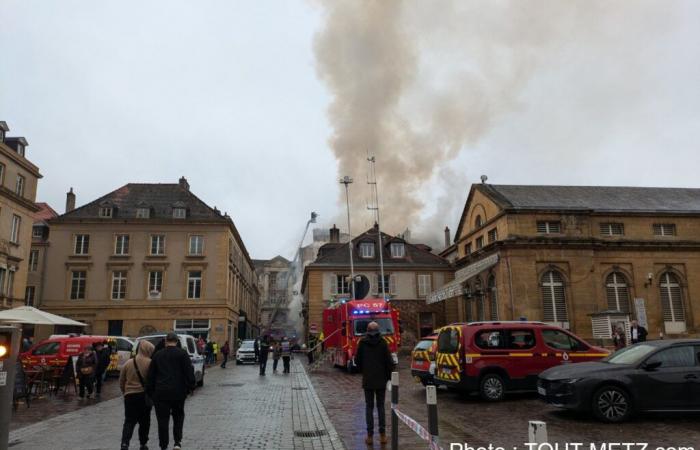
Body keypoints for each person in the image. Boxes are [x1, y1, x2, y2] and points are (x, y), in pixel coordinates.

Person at [147, 332, 196, 450]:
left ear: (165, 341)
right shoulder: (183, 354)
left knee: (162, 421)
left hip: (161, 393)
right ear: (177, 341)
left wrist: (151, 393)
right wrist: (190, 388)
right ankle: (177, 442)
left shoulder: (157, 355)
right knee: (178, 417)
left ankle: (163, 445)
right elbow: (189, 373)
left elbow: (151, 376)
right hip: (178, 392)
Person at [355, 321, 394, 446]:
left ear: (367, 330)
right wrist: (388, 377)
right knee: (381, 407)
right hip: (381, 380)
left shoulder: (362, 342)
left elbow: (357, 361)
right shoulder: (383, 343)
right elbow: (390, 363)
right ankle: (382, 436)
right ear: (378, 330)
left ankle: (370, 436)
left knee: (369, 407)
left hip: (368, 380)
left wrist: (364, 371)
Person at [120, 340, 155, 450]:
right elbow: (153, 381)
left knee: (129, 421)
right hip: (144, 397)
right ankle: (143, 443)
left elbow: (121, 380)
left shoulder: (128, 362)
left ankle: (125, 443)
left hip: (130, 396)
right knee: (145, 421)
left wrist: (125, 392)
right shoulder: (150, 363)